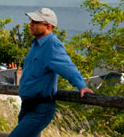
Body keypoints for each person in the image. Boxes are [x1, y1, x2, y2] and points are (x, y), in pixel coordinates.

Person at [9, 7, 94, 137]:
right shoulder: (36, 44)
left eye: (35, 22)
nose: (30, 24)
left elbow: (68, 67)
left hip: (40, 109)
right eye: (31, 20)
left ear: (48, 26)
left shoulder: (52, 46)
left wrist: (81, 85)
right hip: (27, 106)